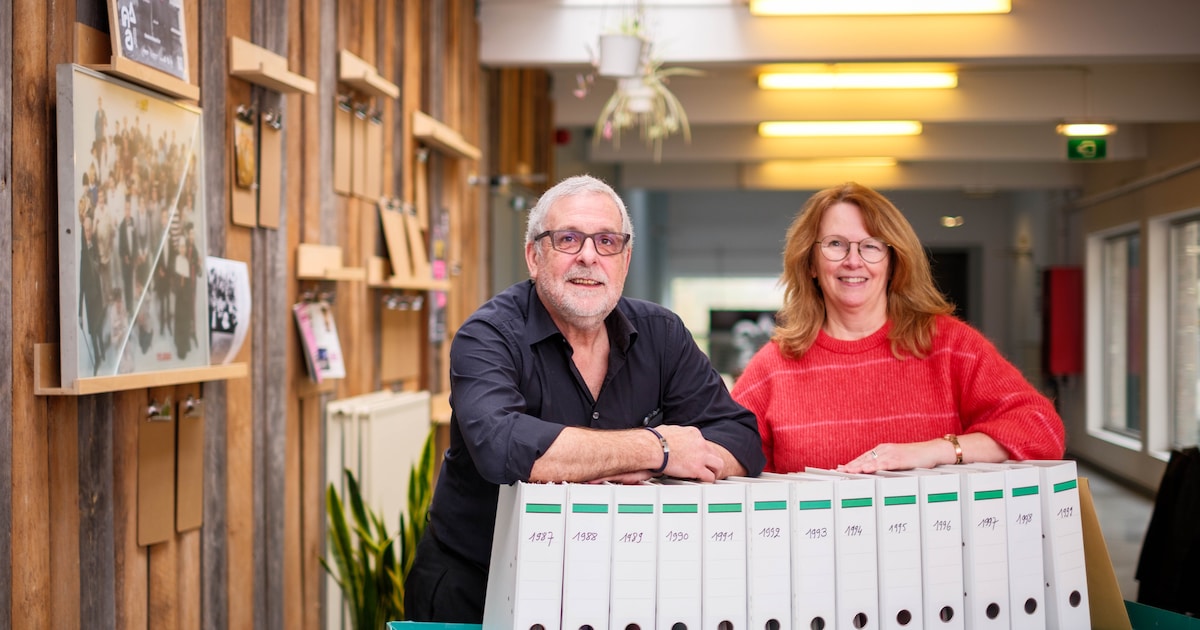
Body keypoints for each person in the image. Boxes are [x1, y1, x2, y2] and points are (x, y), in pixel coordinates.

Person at [404, 174, 765, 623]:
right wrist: (657, 449)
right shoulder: (487, 335)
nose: (589, 257)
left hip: (613, 589)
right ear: (534, 257)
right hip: (477, 584)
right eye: (568, 239)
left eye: (607, 241)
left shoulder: (663, 334)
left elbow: (741, 439)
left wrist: (597, 458)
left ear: (626, 259)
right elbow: (504, 447)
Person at [731, 182, 1065, 475]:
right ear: (811, 264)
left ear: (893, 263)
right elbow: (727, 452)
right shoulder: (774, 367)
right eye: (835, 244)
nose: (853, 260)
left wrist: (933, 452)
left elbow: (1042, 429)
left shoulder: (949, 345)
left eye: (872, 246)